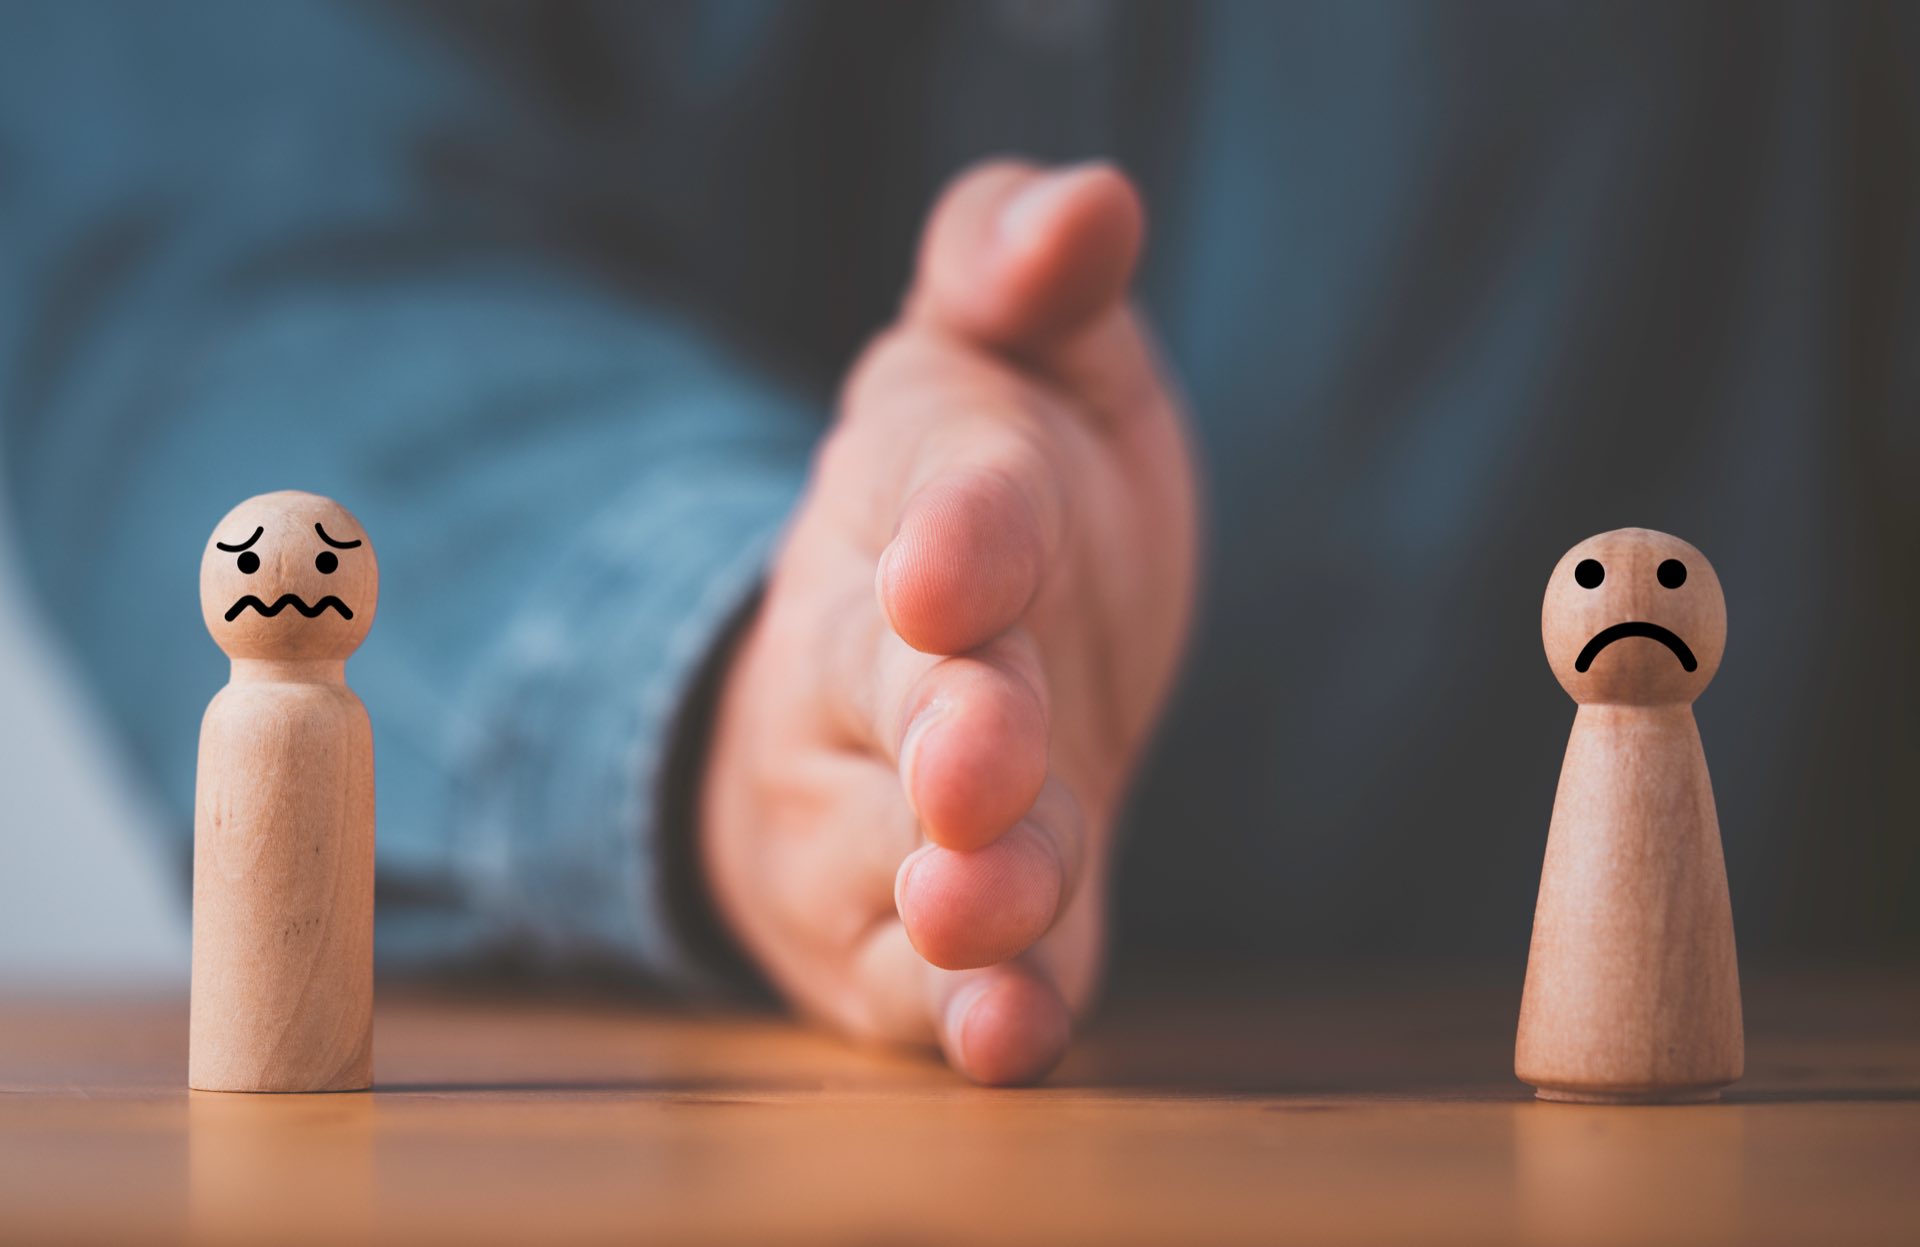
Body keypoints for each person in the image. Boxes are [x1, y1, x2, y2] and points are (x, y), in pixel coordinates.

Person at [2, 2, 1913, 1084]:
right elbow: (213, 244)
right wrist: (747, 698)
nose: (286, 586)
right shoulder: (298, 655)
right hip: (646, 1090)